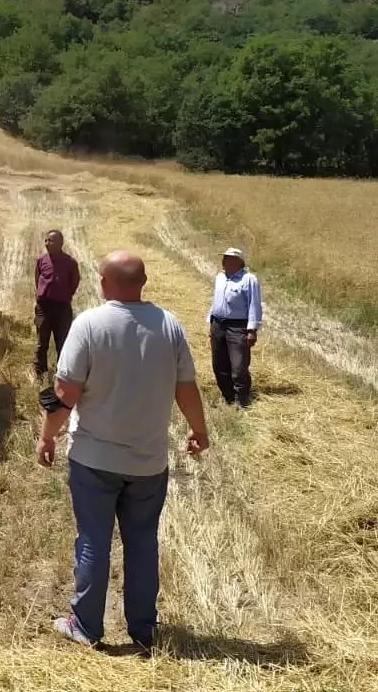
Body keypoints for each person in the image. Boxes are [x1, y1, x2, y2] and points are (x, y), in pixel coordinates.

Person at [37, 250, 209, 652]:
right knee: (143, 541)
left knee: (94, 540)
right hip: (149, 462)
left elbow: (64, 395)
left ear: (107, 283)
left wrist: (47, 436)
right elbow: (186, 389)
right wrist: (199, 430)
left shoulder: (89, 325)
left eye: (100, 277)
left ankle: (86, 625)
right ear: (142, 283)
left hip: (94, 460)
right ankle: (144, 630)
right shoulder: (169, 325)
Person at [207, 247, 263, 407]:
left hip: (238, 327)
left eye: (228, 258)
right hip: (218, 324)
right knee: (219, 365)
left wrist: (252, 330)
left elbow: (254, 305)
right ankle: (228, 397)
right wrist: (211, 323)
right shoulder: (220, 278)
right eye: (223, 257)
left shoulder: (249, 279)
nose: (224, 261)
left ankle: (241, 399)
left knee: (238, 366)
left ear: (238, 262)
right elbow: (216, 302)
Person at [34, 229, 81, 377]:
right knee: (42, 342)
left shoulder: (70, 263)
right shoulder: (41, 260)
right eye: (46, 240)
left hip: (62, 308)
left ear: (61, 243)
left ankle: (62, 373)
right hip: (44, 307)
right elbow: (38, 280)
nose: (47, 243)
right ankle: (40, 373)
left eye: (51, 241)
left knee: (63, 342)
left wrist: (64, 295)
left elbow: (74, 282)